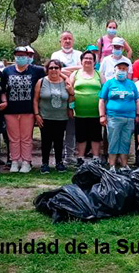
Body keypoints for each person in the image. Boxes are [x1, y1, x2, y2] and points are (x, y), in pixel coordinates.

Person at [2, 46, 45, 173]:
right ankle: (14, 161)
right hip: (11, 110)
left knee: (26, 137)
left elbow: (54, 73)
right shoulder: (7, 71)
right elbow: (3, 89)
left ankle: (26, 162)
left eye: (23, 55)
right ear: (14, 57)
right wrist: (4, 101)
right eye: (18, 55)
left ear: (28, 57)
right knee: (13, 138)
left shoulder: (36, 70)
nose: (20, 58)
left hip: (28, 110)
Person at [34, 59, 72, 173]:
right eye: (51, 68)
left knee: (59, 141)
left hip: (61, 117)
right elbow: (35, 100)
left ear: (60, 69)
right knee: (46, 141)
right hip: (45, 116)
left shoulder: (66, 82)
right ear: (47, 70)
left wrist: (72, 92)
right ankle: (44, 163)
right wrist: (37, 114)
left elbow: (71, 98)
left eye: (56, 67)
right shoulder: (41, 82)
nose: (54, 70)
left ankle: (59, 163)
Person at [99, 59, 138, 171]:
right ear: (115, 70)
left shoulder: (131, 84)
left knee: (125, 141)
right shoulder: (109, 83)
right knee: (113, 140)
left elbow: (136, 100)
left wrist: (137, 114)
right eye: (120, 68)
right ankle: (112, 165)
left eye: (124, 69)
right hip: (113, 117)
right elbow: (102, 100)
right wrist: (102, 115)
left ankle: (124, 165)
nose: (122, 71)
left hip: (129, 117)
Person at [49, 31, 82, 161]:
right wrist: (68, 73)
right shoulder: (55, 54)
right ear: (60, 41)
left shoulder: (79, 54)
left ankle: (70, 155)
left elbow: (81, 68)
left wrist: (64, 70)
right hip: (59, 92)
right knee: (57, 126)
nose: (67, 41)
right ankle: (58, 154)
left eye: (69, 39)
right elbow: (55, 70)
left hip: (73, 93)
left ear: (73, 40)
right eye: (64, 39)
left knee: (71, 125)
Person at [69, 51, 104, 166]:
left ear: (94, 62)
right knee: (81, 136)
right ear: (81, 61)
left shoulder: (99, 74)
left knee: (96, 135)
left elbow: (105, 91)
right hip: (79, 112)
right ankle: (80, 157)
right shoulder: (76, 74)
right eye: (86, 58)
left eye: (91, 59)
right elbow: (69, 90)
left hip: (96, 112)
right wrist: (70, 107)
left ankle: (95, 157)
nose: (88, 60)